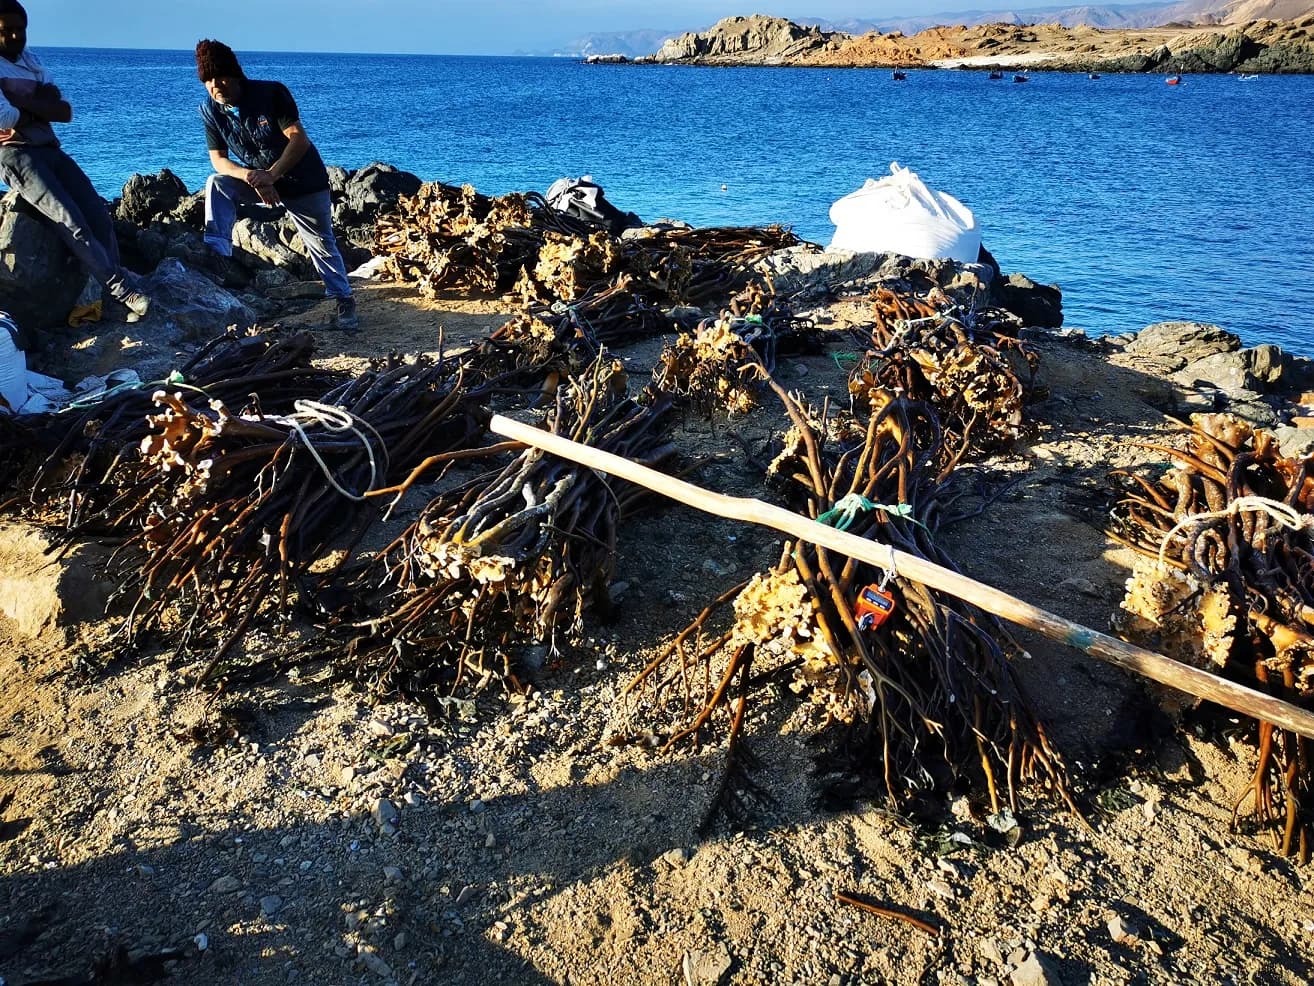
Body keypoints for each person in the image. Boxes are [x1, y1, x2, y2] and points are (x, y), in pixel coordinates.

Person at [0, 0, 151, 322]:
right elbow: (4, 118)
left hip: (50, 148)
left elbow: (65, 110)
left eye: (19, 29)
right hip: (16, 154)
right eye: (5, 30)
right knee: (69, 220)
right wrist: (41, 105)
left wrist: (23, 104)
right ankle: (123, 291)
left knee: (98, 215)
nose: (14, 36)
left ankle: (112, 290)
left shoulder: (31, 62)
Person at [194, 40, 358, 332]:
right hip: (259, 180)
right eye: (208, 80)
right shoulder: (210, 110)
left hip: (303, 181)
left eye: (221, 77)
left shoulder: (270, 93)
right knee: (217, 184)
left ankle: (343, 300)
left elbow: (299, 139)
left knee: (321, 243)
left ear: (235, 75)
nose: (215, 85)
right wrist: (252, 177)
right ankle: (217, 256)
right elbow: (218, 160)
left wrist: (271, 175)